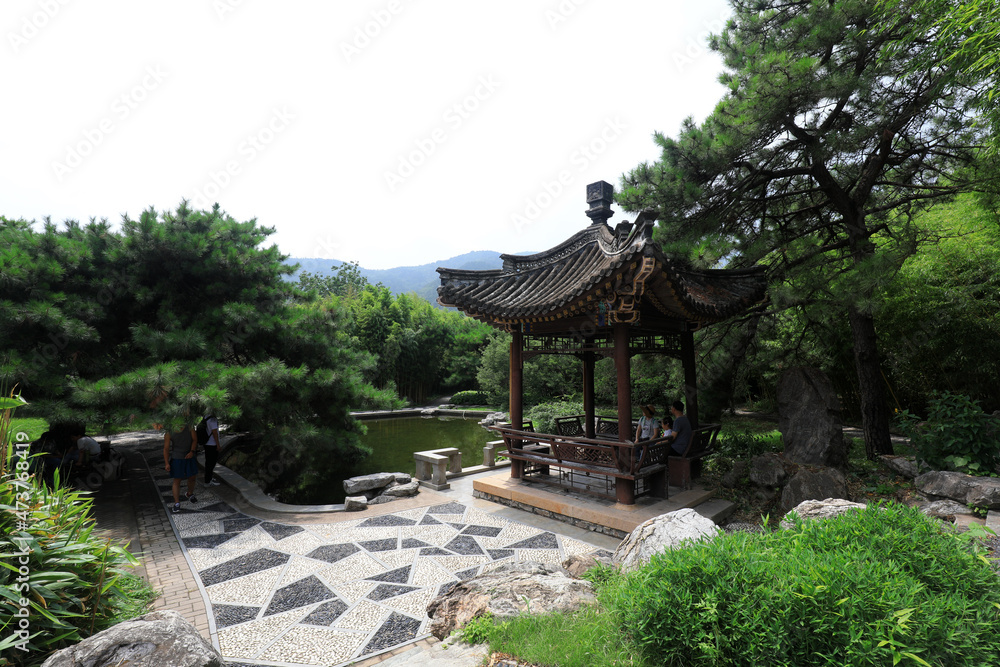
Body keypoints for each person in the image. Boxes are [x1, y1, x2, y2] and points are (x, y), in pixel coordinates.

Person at [164, 424, 198, 513]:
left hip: (189, 456)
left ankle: (190, 493)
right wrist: (167, 463)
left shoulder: (190, 427)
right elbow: (166, 448)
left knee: (192, 477)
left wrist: (192, 451)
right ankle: (177, 503)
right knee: (177, 480)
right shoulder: (169, 431)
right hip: (177, 458)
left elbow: (195, 440)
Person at [200, 414, 222, 486]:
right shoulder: (213, 419)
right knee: (211, 463)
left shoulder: (206, 416)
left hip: (207, 443)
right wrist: (218, 445)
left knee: (208, 462)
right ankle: (208, 481)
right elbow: (215, 433)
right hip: (212, 444)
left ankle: (209, 478)